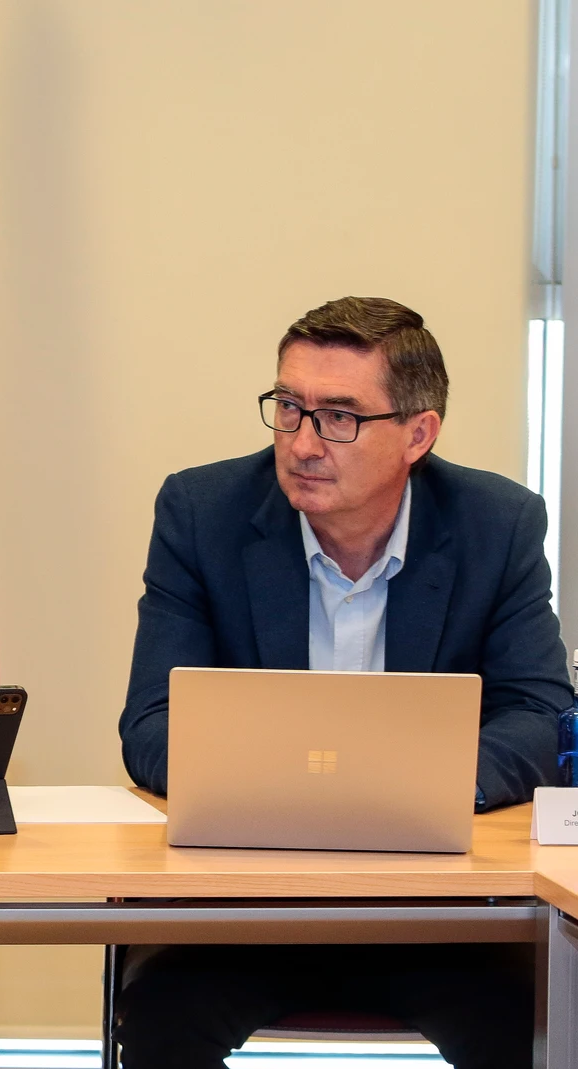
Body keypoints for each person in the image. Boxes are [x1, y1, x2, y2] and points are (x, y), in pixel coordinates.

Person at [114, 296, 569, 1067]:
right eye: (288, 407)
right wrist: (308, 793)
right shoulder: (203, 513)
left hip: (436, 914)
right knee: (161, 1016)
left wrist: (405, 786)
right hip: (248, 909)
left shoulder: (499, 524)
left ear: (418, 433)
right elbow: (150, 726)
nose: (302, 442)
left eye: (339, 417)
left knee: (536, 1017)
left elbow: (541, 713)